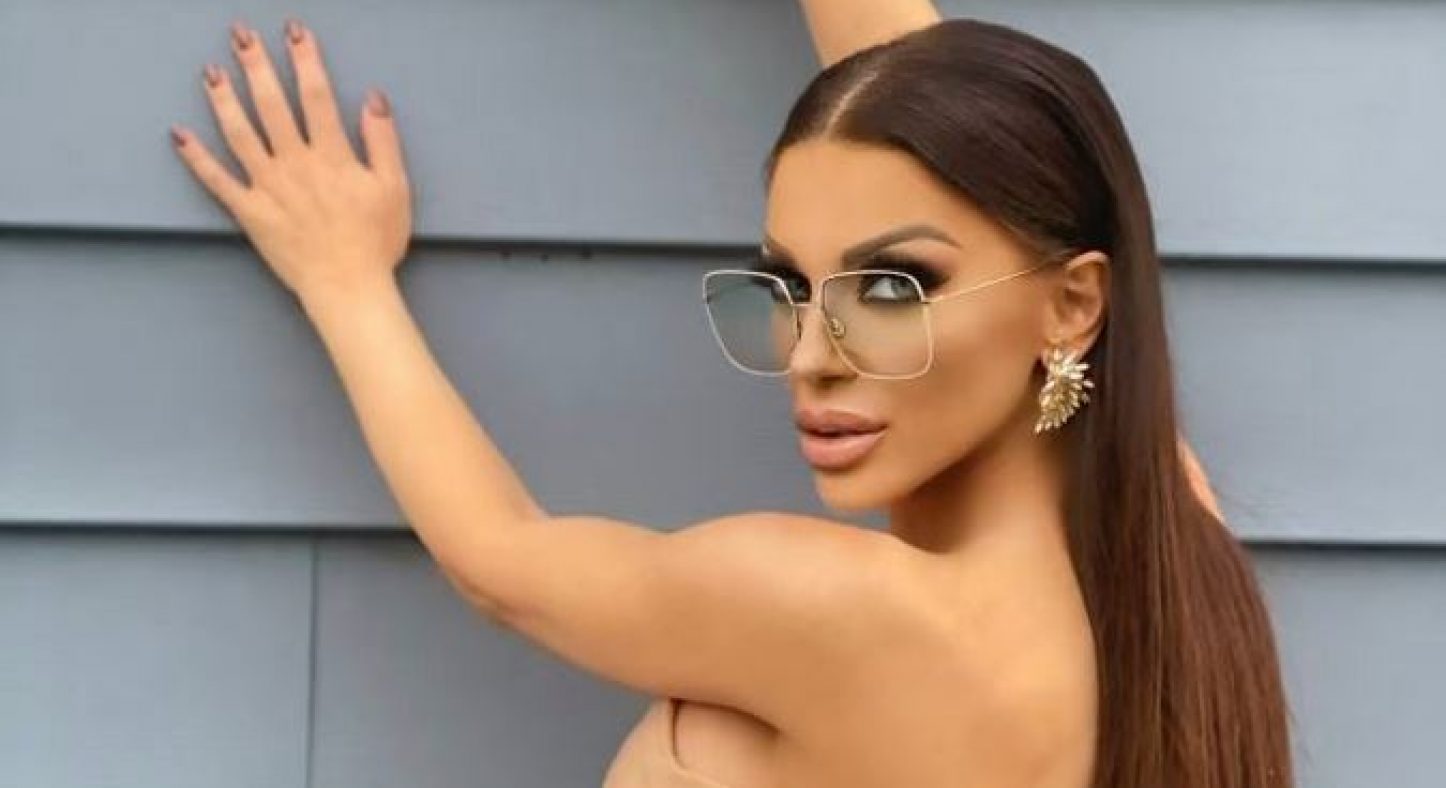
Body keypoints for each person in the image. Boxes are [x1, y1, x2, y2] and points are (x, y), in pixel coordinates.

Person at [169, 3, 1289, 786]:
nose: (811, 354)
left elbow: (500, 560)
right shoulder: (1172, 560)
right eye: (789, 286)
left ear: (1073, 303)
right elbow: (947, 133)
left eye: (892, 287)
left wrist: (345, 278)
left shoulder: (840, 612)